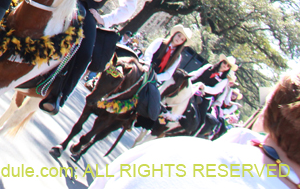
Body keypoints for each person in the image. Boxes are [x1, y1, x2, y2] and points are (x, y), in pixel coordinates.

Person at [90, 71, 300, 189]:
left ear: (271, 104)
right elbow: (196, 75)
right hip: (185, 82)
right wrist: (198, 86)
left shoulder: (226, 87)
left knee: (208, 117)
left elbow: (218, 96)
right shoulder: (209, 67)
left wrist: (214, 96)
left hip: (212, 101)